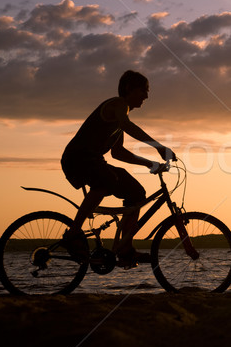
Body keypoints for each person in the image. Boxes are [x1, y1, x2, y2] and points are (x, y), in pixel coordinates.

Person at [61, 70, 176, 266]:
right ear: (129, 88)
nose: (147, 96)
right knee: (106, 181)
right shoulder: (118, 104)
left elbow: (119, 153)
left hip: (94, 161)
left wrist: (150, 164)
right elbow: (128, 125)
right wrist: (159, 147)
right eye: (144, 90)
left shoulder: (119, 120)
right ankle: (73, 234)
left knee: (137, 193)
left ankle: (125, 248)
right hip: (78, 158)